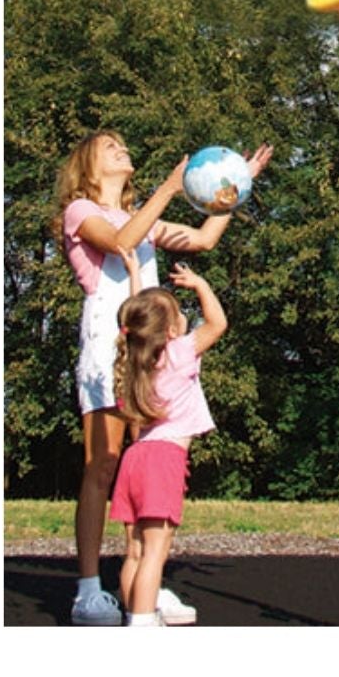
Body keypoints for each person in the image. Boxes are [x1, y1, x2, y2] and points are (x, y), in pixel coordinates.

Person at [54, 131, 272, 626]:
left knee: (143, 467)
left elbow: (203, 238)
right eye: (110, 147)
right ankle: (88, 590)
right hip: (106, 346)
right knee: (102, 466)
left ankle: (141, 590)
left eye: (122, 144)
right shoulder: (81, 213)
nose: (122, 149)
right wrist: (171, 188)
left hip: (145, 357)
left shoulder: (143, 221)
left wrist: (233, 188)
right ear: (89, 167)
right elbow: (120, 241)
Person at [109, 260, 230, 626]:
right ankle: (144, 622)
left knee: (134, 552)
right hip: (164, 461)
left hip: (134, 461)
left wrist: (134, 278)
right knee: (154, 554)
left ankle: (134, 616)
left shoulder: (132, 363)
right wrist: (200, 285)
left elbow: (137, 323)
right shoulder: (178, 355)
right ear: (172, 330)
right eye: (179, 315)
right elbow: (218, 324)